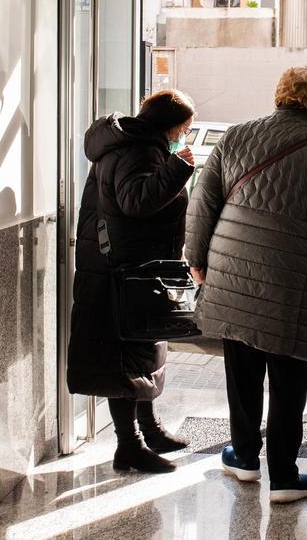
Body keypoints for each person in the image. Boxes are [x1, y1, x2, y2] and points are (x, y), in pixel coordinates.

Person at [185, 67, 307, 503]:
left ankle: (245, 459)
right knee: (289, 380)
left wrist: (197, 261)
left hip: (234, 277)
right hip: (294, 289)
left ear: (281, 97)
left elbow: (201, 206)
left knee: (243, 372)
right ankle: (285, 478)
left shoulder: (235, 138)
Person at [66, 89, 197, 474]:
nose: (185, 135)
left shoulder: (132, 144)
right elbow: (135, 201)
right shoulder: (139, 150)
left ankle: (149, 430)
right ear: (170, 126)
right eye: (185, 128)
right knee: (124, 362)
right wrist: (178, 168)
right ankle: (130, 446)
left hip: (130, 269)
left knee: (142, 354)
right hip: (122, 273)